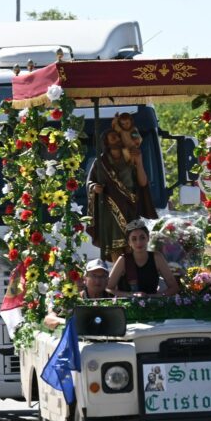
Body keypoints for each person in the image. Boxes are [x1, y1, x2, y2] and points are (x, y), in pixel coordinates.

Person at [87, 127, 158, 261]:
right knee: (116, 248)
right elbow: (90, 182)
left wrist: (139, 161)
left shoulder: (130, 158)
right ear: (106, 143)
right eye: (113, 137)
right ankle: (120, 276)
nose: (117, 139)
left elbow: (143, 183)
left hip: (131, 206)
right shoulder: (101, 163)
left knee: (134, 246)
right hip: (111, 210)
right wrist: (94, 188)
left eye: (119, 136)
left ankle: (134, 275)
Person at [106, 219, 180, 296]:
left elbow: (174, 288)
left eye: (142, 237)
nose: (139, 242)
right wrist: (131, 295)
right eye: (134, 239)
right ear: (129, 242)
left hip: (153, 305)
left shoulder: (157, 257)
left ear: (148, 238)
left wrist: (152, 297)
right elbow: (108, 289)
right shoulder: (123, 260)